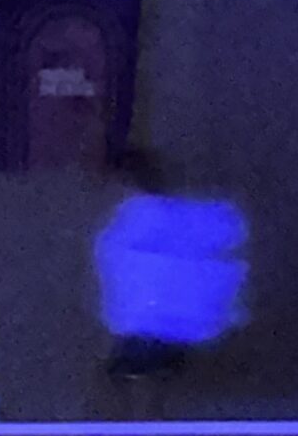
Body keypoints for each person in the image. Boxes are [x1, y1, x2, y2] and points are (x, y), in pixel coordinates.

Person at [94, 149, 247, 416]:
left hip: (157, 336)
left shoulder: (146, 221)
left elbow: (223, 244)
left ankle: (149, 432)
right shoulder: (133, 224)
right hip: (151, 336)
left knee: (143, 385)